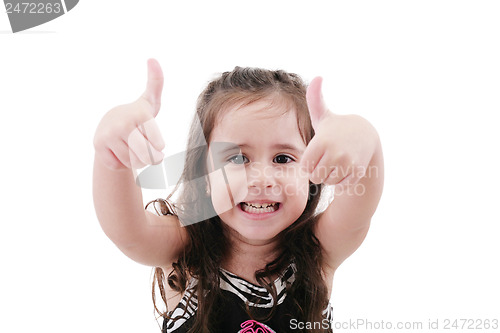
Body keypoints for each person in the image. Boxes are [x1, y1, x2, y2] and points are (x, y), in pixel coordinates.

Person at [93, 59, 384, 332]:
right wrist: (113, 156)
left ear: (310, 176)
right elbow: (128, 230)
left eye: (282, 159)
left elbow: (358, 211)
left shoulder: (319, 249)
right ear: (204, 177)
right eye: (237, 159)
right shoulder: (184, 247)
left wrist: (364, 137)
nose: (261, 179)